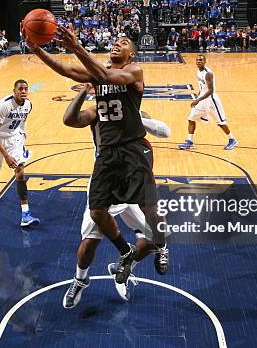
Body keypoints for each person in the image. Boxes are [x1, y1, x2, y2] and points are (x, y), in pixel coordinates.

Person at [24, 24, 169, 290]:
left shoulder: (133, 71)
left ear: (132, 55)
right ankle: (125, 251)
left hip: (132, 149)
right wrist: (36, 49)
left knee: (150, 208)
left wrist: (76, 47)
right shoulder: (98, 75)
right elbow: (66, 70)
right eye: (116, 40)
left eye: (124, 42)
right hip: (108, 154)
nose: (117, 43)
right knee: (97, 211)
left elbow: (105, 75)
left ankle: (161, 244)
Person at [61, 83, 171, 308]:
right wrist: (84, 91)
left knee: (159, 234)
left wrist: (137, 119)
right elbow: (70, 119)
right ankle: (80, 280)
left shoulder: (136, 112)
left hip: (133, 180)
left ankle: (126, 263)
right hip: (106, 180)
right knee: (89, 241)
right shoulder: (98, 110)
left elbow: (165, 131)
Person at [0, 79, 40, 227]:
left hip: (13, 139)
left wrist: (21, 138)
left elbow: (22, 123)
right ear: (14, 91)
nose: (23, 91)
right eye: (20, 89)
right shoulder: (4, 105)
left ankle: (25, 214)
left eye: (26, 89)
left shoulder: (28, 105)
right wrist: (6, 155)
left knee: (20, 172)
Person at [178, 55, 237, 150]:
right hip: (202, 100)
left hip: (212, 101)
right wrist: (198, 98)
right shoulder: (198, 71)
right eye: (197, 60)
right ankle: (190, 142)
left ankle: (232, 139)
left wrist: (197, 100)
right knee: (191, 118)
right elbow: (202, 88)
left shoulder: (208, 73)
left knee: (220, 122)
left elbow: (210, 91)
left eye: (201, 60)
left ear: (205, 61)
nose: (198, 61)